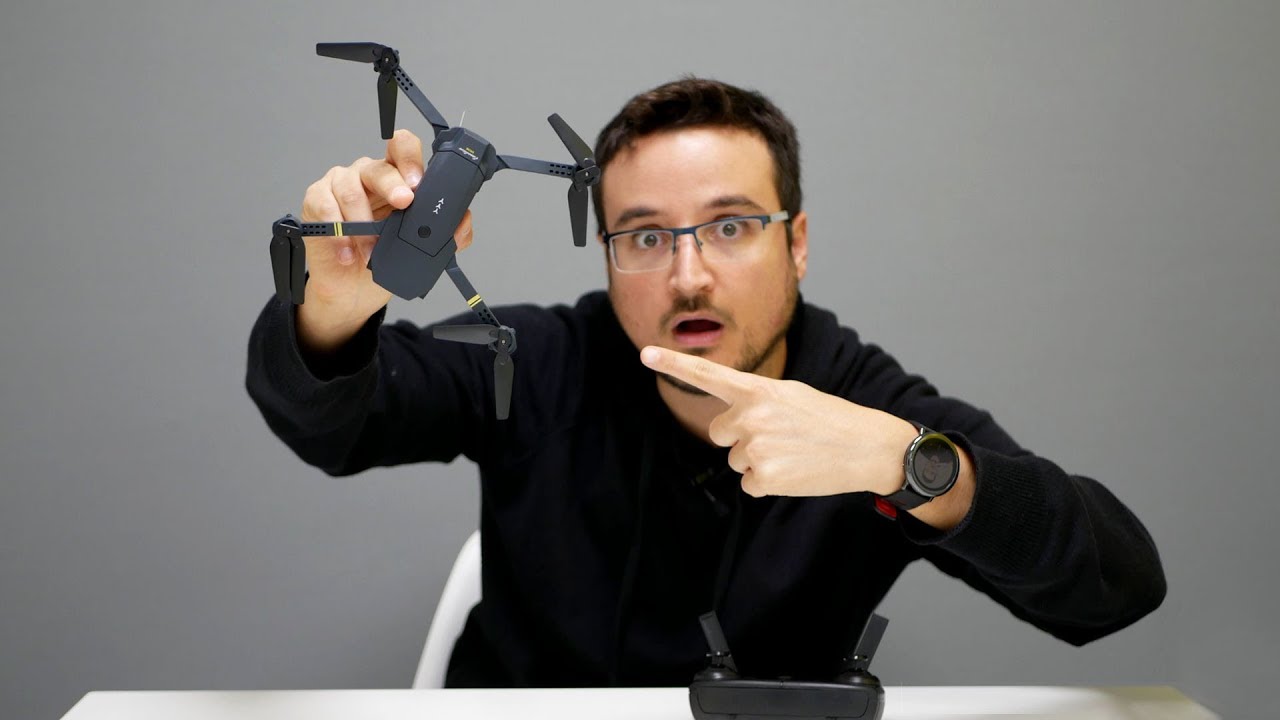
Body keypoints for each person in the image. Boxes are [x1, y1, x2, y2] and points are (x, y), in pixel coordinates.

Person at [246, 77, 1166, 687]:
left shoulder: (861, 403)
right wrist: (334, 306)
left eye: (730, 227)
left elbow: (1116, 585)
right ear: (608, 257)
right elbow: (332, 423)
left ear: (796, 244)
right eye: (646, 236)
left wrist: (907, 463)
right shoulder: (538, 360)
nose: (689, 276)